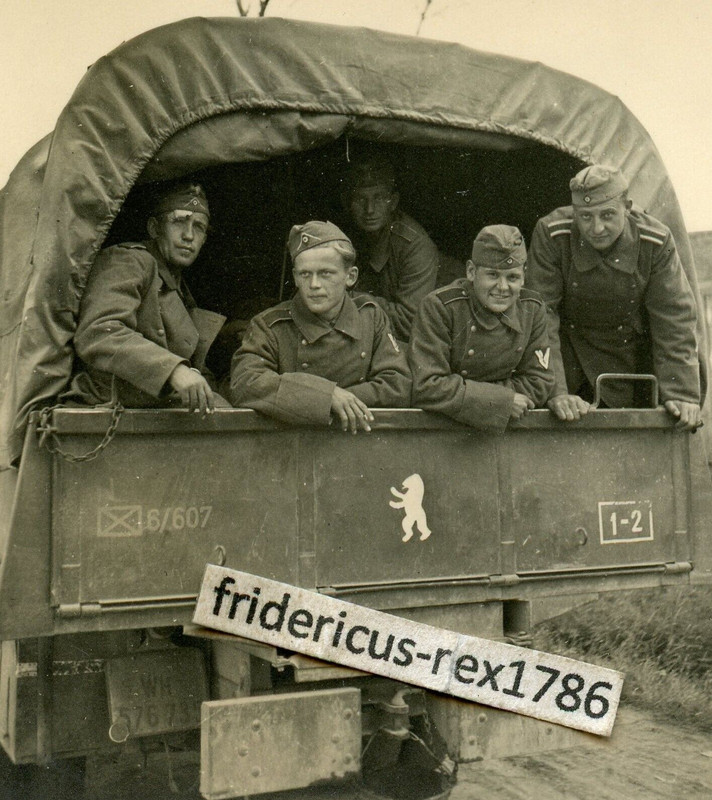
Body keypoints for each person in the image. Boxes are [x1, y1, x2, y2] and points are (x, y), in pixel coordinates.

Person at [526, 164, 701, 430]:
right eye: (585, 217)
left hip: (634, 363)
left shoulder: (655, 240)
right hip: (568, 360)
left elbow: (674, 320)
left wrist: (682, 394)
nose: (596, 228)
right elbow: (540, 316)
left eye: (607, 214)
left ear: (627, 207)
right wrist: (555, 391)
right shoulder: (552, 233)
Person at [229, 221, 411, 432]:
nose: (314, 285)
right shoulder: (270, 326)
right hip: (293, 444)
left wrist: (341, 401)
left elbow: (397, 384)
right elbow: (245, 384)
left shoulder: (370, 316)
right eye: (305, 274)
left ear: (350, 277)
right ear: (296, 278)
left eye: (325, 273)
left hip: (357, 437)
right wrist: (326, 397)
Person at [66, 182, 224, 415]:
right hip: (111, 410)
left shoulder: (177, 286)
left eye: (199, 227)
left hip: (150, 407)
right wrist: (173, 371)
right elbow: (99, 331)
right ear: (154, 228)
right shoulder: (130, 261)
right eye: (179, 221)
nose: (189, 235)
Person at [409, 225, 554, 431]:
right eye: (493, 275)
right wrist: (499, 401)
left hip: (504, 426)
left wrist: (474, 396)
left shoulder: (532, 308)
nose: (503, 287)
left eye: (512, 277)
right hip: (443, 429)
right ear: (471, 271)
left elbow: (540, 382)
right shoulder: (441, 307)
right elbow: (427, 386)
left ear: (523, 277)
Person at [339, 155, 439, 342]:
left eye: (379, 198)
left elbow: (409, 323)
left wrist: (344, 298)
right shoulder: (350, 235)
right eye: (361, 199)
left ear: (393, 202)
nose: (369, 209)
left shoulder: (415, 245)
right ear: (348, 203)